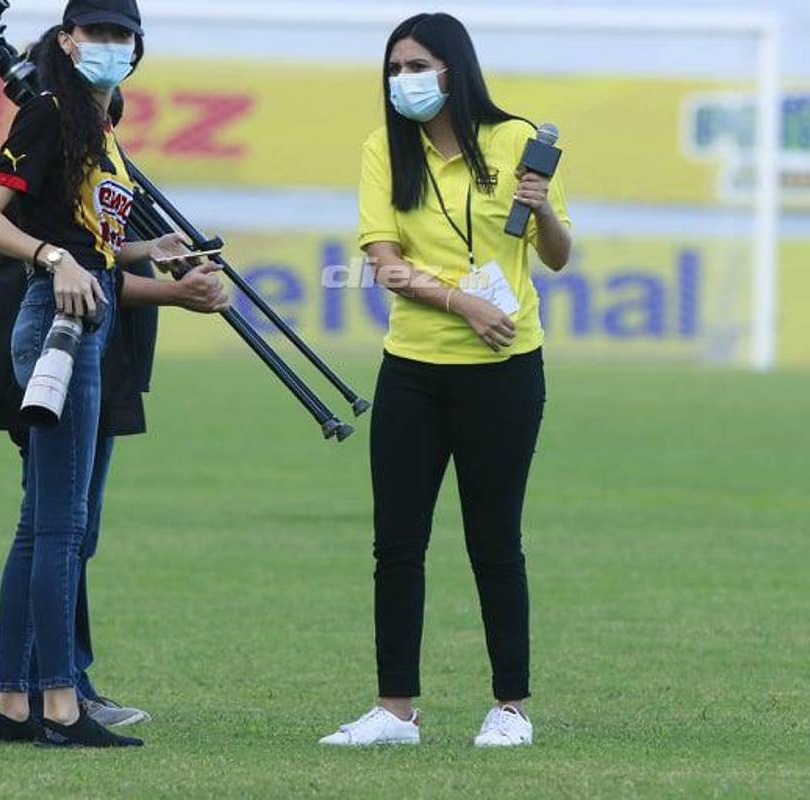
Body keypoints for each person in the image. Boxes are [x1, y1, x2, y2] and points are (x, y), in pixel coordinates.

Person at [0, 0, 224, 748]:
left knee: (40, 526)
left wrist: (151, 250)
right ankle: (62, 707)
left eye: (121, 34)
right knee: (62, 528)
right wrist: (52, 259)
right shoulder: (49, 113)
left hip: (82, 326)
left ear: (137, 48)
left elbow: (90, 245)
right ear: (68, 41)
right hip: (57, 327)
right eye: (95, 32)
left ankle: (13, 707)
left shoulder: (98, 128)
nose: (109, 44)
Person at [320, 12, 571, 748]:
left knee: (495, 542)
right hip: (413, 370)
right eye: (395, 69)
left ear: (453, 70)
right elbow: (384, 263)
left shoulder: (515, 139)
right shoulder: (384, 148)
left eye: (417, 66)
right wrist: (465, 303)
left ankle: (511, 708)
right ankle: (395, 710)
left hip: (504, 370)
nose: (404, 81)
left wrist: (543, 208)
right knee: (396, 545)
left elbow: (557, 255)